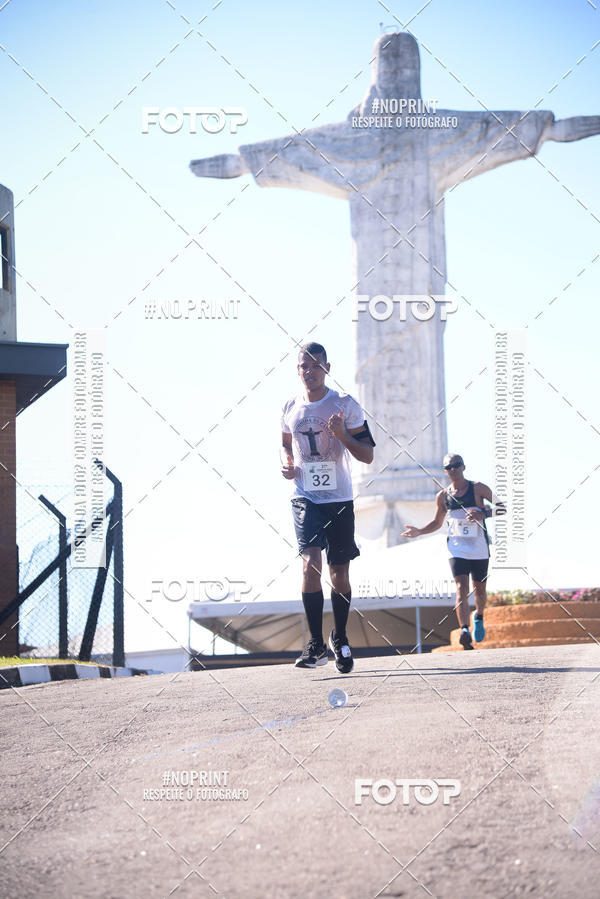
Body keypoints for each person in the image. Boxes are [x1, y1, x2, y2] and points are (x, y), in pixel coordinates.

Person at [281, 342, 375, 672]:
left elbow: (367, 454)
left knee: (339, 572)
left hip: (339, 499)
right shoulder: (290, 406)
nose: (309, 372)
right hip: (305, 496)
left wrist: (341, 435)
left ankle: (341, 636)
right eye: (303, 367)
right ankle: (315, 643)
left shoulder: (345, 404)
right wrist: (288, 463)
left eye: (315, 366)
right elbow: (285, 442)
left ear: (327, 368)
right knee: (310, 564)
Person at [402, 454, 505, 650]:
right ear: (445, 471)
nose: (453, 469)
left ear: (464, 467)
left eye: (457, 465)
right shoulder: (442, 496)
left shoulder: (478, 488)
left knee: (480, 589)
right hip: (456, 547)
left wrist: (482, 513)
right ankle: (465, 630)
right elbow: (437, 522)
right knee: (461, 587)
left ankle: (479, 616)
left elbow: (502, 508)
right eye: (449, 467)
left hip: (479, 547)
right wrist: (419, 531)